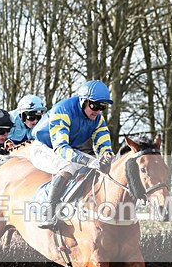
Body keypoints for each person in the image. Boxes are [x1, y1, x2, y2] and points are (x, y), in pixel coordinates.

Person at [29, 79, 115, 229]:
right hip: (44, 148)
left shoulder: (97, 119)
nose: (98, 111)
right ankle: (47, 214)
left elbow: (102, 141)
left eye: (103, 106)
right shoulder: (63, 111)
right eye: (95, 105)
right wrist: (87, 161)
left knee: (99, 167)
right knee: (68, 166)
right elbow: (61, 148)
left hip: (69, 149)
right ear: (84, 101)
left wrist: (106, 155)